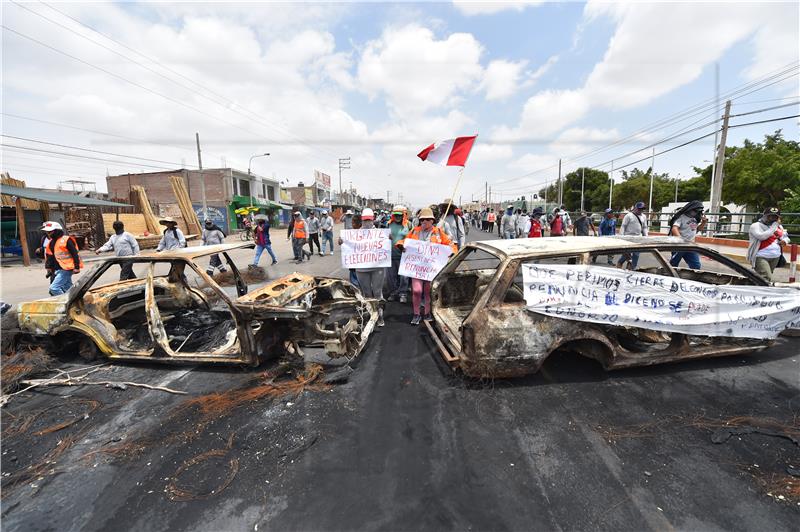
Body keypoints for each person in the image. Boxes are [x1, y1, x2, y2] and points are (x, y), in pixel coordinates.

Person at [397, 207, 456, 325]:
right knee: (417, 291)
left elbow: (450, 245)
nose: (424, 222)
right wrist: (400, 245)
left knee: (428, 292)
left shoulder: (438, 232)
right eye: (422, 220)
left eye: (427, 219)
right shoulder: (414, 231)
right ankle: (416, 314)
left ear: (432, 221)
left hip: (431, 270)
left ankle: (427, 313)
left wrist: (452, 251)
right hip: (417, 268)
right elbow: (404, 241)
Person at [353, 208, 386, 327]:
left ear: (373, 220)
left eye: (369, 220)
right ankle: (371, 314)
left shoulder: (380, 233)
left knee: (377, 292)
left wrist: (389, 239)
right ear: (362, 220)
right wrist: (343, 241)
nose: (367, 222)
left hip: (377, 268)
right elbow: (350, 248)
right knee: (366, 293)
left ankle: (380, 315)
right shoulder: (355, 234)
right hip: (362, 268)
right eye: (365, 220)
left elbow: (385, 247)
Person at [748, 207, 789, 282]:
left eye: (775, 216)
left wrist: (785, 241)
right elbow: (762, 236)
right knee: (766, 277)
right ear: (764, 216)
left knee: (763, 277)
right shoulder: (756, 226)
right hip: (760, 256)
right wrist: (774, 226)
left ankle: (755, 288)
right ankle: (761, 292)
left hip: (775, 256)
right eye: (770, 216)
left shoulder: (779, 227)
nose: (772, 218)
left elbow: (786, 237)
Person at [41, 221, 82, 296]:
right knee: (69, 289)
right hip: (57, 269)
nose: (48, 234)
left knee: (54, 288)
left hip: (66, 269)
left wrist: (77, 267)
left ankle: (65, 301)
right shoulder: (51, 242)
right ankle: (76, 301)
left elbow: (75, 254)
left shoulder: (66, 240)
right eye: (47, 232)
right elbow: (50, 256)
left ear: (56, 231)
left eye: (50, 232)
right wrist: (48, 268)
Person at [668, 200, 706, 270]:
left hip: (691, 245)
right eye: (695, 211)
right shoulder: (681, 217)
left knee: (696, 265)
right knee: (674, 264)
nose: (696, 213)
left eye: (698, 212)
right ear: (690, 209)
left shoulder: (696, 218)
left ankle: (693, 278)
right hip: (680, 245)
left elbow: (696, 230)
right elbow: (674, 228)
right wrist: (680, 238)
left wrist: (703, 223)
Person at [387, 205, 410, 303]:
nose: (397, 217)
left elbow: (413, 238)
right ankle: (393, 293)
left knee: (404, 277)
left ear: (404, 215)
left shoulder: (409, 225)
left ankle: (403, 294)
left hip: (404, 256)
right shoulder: (389, 224)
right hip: (391, 255)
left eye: (400, 215)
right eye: (395, 215)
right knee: (391, 277)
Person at [617, 201, 649, 269]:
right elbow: (623, 226)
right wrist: (621, 237)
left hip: (638, 238)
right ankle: (620, 262)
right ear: (635, 208)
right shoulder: (628, 216)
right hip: (628, 237)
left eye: (642, 209)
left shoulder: (644, 216)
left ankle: (632, 268)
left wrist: (646, 237)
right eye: (639, 209)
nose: (641, 210)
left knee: (636, 254)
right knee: (627, 254)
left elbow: (645, 227)